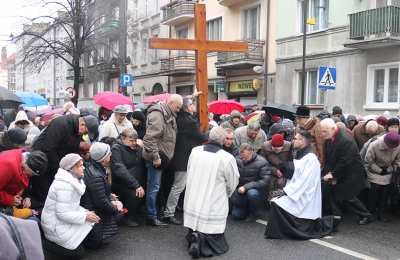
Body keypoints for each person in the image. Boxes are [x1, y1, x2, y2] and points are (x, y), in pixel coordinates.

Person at [265, 130, 335, 240]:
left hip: (305, 196)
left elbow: (304, 181)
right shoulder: (300, 154)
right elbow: (297, 175)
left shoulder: (310, 159)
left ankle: (287, 232)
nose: (293, 141)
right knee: (276, 201)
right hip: (297, 192)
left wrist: (285, 192)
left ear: (302, 141)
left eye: (295, 139)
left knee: (276, 203)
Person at [184, 127, 239, 258]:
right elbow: (233, 181)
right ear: (222, 140)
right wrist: (227, 193)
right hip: (214, 196)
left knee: (196, 216)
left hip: (194, 193)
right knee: (210, 224)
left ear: (209, 137)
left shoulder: (195, 151)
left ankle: (194, 235)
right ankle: (204, 242)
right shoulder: (227, 158)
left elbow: (189, 169)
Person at [31, 114, 99, 206]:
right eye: (86, 132)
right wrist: (62, 168)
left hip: (57, 163)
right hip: (43, 162)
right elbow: (48, 148)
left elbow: (69, 144)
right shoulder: (61, 124)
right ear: (82, 124)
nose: (84, 135)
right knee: (44, 194)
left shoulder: (77, 129)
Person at [41, 154, 100, 259]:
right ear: (71, 168)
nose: (84, 167)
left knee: (95, 241)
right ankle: (44, 245)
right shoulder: (64, 185)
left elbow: (71, 207)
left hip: (62, 221)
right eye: (80, 166)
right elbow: (62, 214)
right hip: (55, 226)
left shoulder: (74, 180)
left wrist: (86, 213)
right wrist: (85, 216)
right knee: (78, 253)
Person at [163, 97, 207, 225]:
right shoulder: (189, 121)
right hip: (184, 159)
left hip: (176, 157)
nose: (194, 105)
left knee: (177, 186)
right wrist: (210, 133)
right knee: (178, 187)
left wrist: (193, 95)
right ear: (187, 107)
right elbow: (201, 137)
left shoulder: (179, 117)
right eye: (192, 103)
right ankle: (169, 213)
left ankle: (175, 207)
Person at [320, 118, 373, 225]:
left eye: (324, 131)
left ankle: (366, 215)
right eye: (322, 131)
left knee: (348, 196)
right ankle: (336, 216)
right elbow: (330, 158)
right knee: (335, 193)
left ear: (333, 128)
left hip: (352, 173)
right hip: (342, 171)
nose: (322, 134)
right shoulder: (330, 137)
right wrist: (324, 172)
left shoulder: (345, 140)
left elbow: (345, 162)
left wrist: (333, 175)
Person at [142, 94, 183, 226]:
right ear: (171, 103)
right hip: (157, 158)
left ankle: (154, 214)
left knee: (156, 187)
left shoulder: (166, 112)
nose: (178, 110)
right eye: (177, 107)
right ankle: (151, 216)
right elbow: (149, 139)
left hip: (162, 157)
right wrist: (156, 157)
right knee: (154, 187)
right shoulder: (158, 114)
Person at [81, 142, 121, 248]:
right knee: (119, 213)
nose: (111, 155)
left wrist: (109, 195)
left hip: (92, 208)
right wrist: (116, 209)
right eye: (109, 154)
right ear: (103, 159)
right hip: (93, 211)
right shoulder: (96, 175)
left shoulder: (92, 167)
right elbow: (101, 202)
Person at [111, 128, 146, 227]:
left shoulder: (136, 148)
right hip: (121, 183)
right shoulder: (116, 148)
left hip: (134, 181)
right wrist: (136, 185)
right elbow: (120, 169)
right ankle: (127, 217)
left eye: (135, 140)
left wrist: (140, 148)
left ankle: (134, 213)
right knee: (135, 194)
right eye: (131, 141)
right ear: (123, 138)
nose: (134, 143)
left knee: (142, 191)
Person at [365, 132, 400, 221]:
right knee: (374, 190)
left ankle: (381, 213)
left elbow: (397, 161)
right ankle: (369, 212)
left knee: (385, 192)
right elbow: (369, 161)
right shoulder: (374, 145)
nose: (391, 149)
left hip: (388, 170)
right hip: (374, 170)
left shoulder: (398, 146)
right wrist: (379, 170)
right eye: (389, 147)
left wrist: (390, 169)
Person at [231, 143, 271, 220]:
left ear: (252, 152)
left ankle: (255, 212)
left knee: (252, 193)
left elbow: (265, 181)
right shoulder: (237, 159)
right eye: (242, 157)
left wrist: (246, 187)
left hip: (255, 190)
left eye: (246, 157)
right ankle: (245, 209)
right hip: (240, 191)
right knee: (236, 215)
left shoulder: (262, 162)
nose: (244, 160)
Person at [0, 149, 47, 214]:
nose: (30, 176)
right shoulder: (8, 165)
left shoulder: (25, 158)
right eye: (30, 174)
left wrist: (27, 197)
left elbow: (25, 180)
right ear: (25, 165)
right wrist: (10, 200)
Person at [261, 133, 293, 199]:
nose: (276, 151)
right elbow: (263, 164)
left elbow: (291, 162)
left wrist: (285, 172)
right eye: (274, 149)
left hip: (284, 171)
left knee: (282, 183)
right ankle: (269, 201)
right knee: (269, 183)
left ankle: (281, 202)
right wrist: (274, 170)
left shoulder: (289, 146)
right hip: (270, 170)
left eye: (278, 149)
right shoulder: (265, 146)